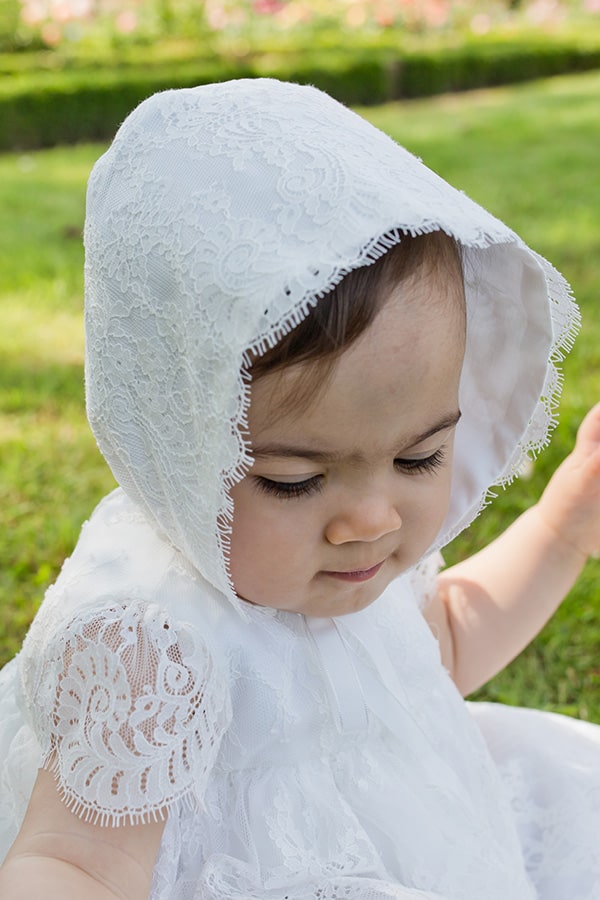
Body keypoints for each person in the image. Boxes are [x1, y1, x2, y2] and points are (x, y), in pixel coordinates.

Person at [0, 78, 599, 900]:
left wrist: (566, 525)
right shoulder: (150, 643)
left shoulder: (357, 566)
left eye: (419, 458)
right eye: (296, 479)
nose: (370, 520)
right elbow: (75, 862)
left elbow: (447, 641)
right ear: (180, 445)